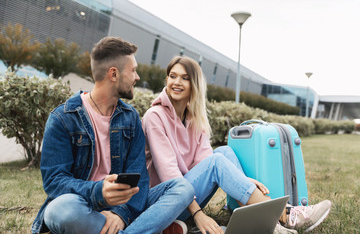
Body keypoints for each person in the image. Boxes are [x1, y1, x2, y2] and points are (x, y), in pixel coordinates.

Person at [142, 56, 332, 234]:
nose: (176, 82)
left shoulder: (193, 118)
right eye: (172, 76)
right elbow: (169, 174)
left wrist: (242, 179)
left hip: (186, 195)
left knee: (224, 152)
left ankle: (266, 219)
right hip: (162, 203)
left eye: (184, 78)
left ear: (195, 84)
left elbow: (205, 161)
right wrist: (198, 214)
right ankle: (285, 214)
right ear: (166, 80)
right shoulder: (154, 117)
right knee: (217, 161)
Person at [31, 37, 195, 234]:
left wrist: (120, 213)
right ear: (114, 74)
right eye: (133, 70)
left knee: (183, 188)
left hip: (125, 206)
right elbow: (54, 181)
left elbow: (141, 179)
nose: (137, 77)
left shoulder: (130, 117)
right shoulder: (63, 118)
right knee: (59, 210)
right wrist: (98, 191)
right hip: (84, 205)